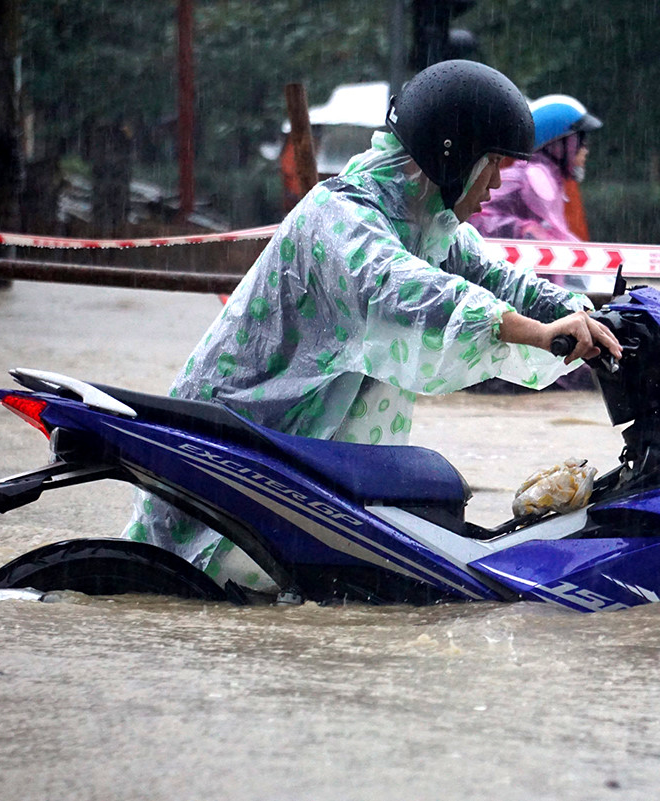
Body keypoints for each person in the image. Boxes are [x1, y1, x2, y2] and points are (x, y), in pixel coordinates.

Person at [120, 60, 621, 591]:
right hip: (248, 436)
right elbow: (398, 287)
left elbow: (497, 278)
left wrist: (591, 316)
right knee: (180, 592)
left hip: (314, 452)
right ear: (451, 157)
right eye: (491, 164)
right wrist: (531, 331)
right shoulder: (343, 212)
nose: (497, 184)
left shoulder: (427, 223)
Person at [468, 94, 610, 294]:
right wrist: (520, 228)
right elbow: (471, 217)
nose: (586, 150)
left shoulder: (552, 181)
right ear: (559, 143)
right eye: (580, 141)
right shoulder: (530, 178)